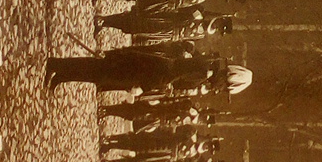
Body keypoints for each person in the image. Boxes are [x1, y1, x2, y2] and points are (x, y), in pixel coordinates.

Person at [46, 47, 252, 96]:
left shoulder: (207, 69)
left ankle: (62, 75)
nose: (219, 89)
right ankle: (57, 65)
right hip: (151, 70)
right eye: (224, 87)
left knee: (101, 74)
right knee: (102, 70)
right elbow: (173, 75)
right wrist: (146, 88)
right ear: (228, 78)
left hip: (153, 70)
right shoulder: (205, 70)